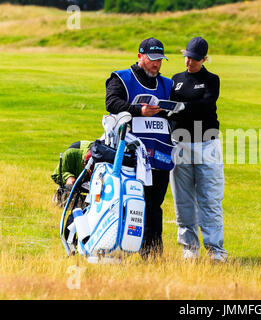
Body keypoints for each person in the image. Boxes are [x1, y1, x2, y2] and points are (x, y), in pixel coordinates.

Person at [105, 37, 173, 259]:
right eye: (152, 59)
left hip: (160, 156)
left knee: (154, 206)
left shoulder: (167, 84)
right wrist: (137, 111)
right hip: (131, 156)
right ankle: (118, 251)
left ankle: (152, 256)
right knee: (128, 202)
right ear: (140, 56)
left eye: (160, 60)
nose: (156, 64)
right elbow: (112, 102)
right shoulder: (121, 78)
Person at [169, 37, 227, 262]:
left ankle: (215, 250)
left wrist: (182, 107)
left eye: (194, 59)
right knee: (183, 198)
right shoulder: (176, 80)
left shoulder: (212, 80)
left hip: (206, 144)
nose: (188, 62)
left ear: (204, 59)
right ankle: (189, 247)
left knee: (209, 198)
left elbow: (206, 104)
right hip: (180, 144)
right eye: (186, 57)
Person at [51, 140, 93, 207]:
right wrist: (68, 177)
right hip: (77, 182)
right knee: (67, 191)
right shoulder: (72, 153)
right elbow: (56, 174)